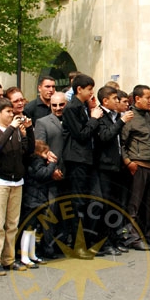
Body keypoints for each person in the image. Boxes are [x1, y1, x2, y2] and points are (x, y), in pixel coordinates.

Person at [0, 97, 35, 276]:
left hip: (17, 181)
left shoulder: (16, 131)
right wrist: (11, 128)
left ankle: (8, 259)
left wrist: (29, 130)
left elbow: (28, 150)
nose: (13, 114)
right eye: (8, 111)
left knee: (12, 224)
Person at [61, 73, 103, 257]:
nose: (91, 93)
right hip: (77, 159)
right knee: (78, 203)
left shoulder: (85, 106)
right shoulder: (71, 108)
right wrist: (93, 118)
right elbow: (81, 134)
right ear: (79, 89)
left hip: (89, 160)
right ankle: (77, 245)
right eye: (89, 89)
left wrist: (92, 113)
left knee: (95, 201)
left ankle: (88, 241)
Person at [120, 84, 150, 250]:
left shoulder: (147, 116)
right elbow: (122, 143)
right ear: (137, 99)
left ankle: (147, 235)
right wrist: (128, 162)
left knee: (149, 205)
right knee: (135, 205)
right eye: (148, 97)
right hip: (139, 166)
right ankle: (134, 237)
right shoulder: (130, 117)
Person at [95, 85, 134, 255]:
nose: (117, 102)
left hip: (116, 166)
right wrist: (121, 122)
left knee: (116, 205)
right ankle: (105, 241)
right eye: (115, 99)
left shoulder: (114, 116)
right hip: (104, 166)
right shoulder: (100, 116)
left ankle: (115, 238)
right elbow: (105, 136)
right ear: (105, 101)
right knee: (105, 205)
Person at [34, 92, 67, 258]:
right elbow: (41, 149)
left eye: (61, 105)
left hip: (70, 174)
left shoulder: (71, 121)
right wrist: (52, 169)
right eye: (54, 105)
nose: (58, 108)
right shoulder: (42, 122)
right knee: (51, 212)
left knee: (66, 211)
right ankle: (48, 248)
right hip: (52, 174)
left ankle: (62, 245)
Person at [21, 140, 58, 268]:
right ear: (39, 152)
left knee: (33, 228)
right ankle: (25, 256)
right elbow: (43, 174)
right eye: (46, 152)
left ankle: (31, 254)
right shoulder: (36, 162)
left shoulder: (36, 162)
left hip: (36, 198)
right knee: (28, 228)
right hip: (33, 199)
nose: (48, 154)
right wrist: (52, 164)